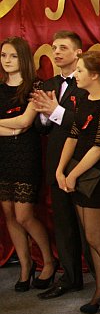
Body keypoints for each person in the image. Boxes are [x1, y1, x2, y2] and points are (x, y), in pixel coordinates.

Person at [55, 51, 100, 313]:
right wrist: (60, 170)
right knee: (89, 236)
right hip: (78, 170)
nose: (76, 74)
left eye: (80, 70)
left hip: (98, 176)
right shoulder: (84, 98)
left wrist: (73, 174)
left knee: (96, 236)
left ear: (95, 75)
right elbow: (73, 135)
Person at [31, 31, 90, 300]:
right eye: (54, 48)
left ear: (78, 52)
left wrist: (55, 111)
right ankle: (70, 277)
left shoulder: (88, 82)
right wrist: (45, 115)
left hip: (83, 163)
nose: (56, 52)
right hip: (56, 163)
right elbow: (41, 127)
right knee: (63, 224)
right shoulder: (48, 84)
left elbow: (85, 123)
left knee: (88, 227)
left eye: (63, 47)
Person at [0, 36, 56, 292]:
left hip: (26, 154)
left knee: (24, 215)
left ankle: (48, 261)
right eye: (3, 55)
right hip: (3, 156)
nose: (7, 60)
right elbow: (17, 125)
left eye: (12, 55)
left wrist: (14, 126)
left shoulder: (36, 86)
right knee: (9, 214)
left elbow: (24, 123)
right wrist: (10, 129)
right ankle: (25, 266)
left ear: (23, 57)